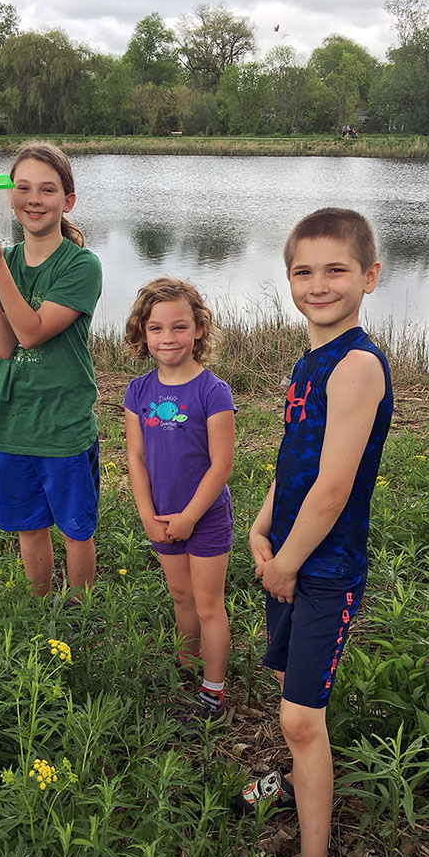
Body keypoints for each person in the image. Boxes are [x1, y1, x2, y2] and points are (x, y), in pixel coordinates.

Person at [234, 208, 393, 857]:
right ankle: (298, 779)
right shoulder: (308, 362)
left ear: (370, 276)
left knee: (303, 718)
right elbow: (294, 461)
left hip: (324, 570)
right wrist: (265, 524)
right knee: (291, 693)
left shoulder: (358, 365)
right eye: (304, 271)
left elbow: (333, 487)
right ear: (289, 279)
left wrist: (286, 563)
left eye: (337, 270)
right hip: (291, 557)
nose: (319, 284)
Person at [0, 141, 102, 600]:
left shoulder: (81, 266)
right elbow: (3, 346)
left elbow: (31, 332)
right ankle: (39, 610)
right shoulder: (2, 259)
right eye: (24, 187)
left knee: (75, 530)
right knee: (29, 527)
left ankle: (79, 616)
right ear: (9, 196)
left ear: (67, 201)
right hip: (14, 421)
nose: (35, 199)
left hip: (64, 423)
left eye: (48, 190)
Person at [123, 278, 236, 727]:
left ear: (199, 330)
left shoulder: (213, 391)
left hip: (204, 518)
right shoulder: (138, 390)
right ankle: (186, 669)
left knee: (209, 604)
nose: (167, 338)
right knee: (180, 595)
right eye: (156, 328)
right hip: (161, 515)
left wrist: (190, 516)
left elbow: (221, 465)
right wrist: (147, 515)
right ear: (142, 334)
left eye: (178, 326)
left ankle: (213, 693)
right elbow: (134, 458)